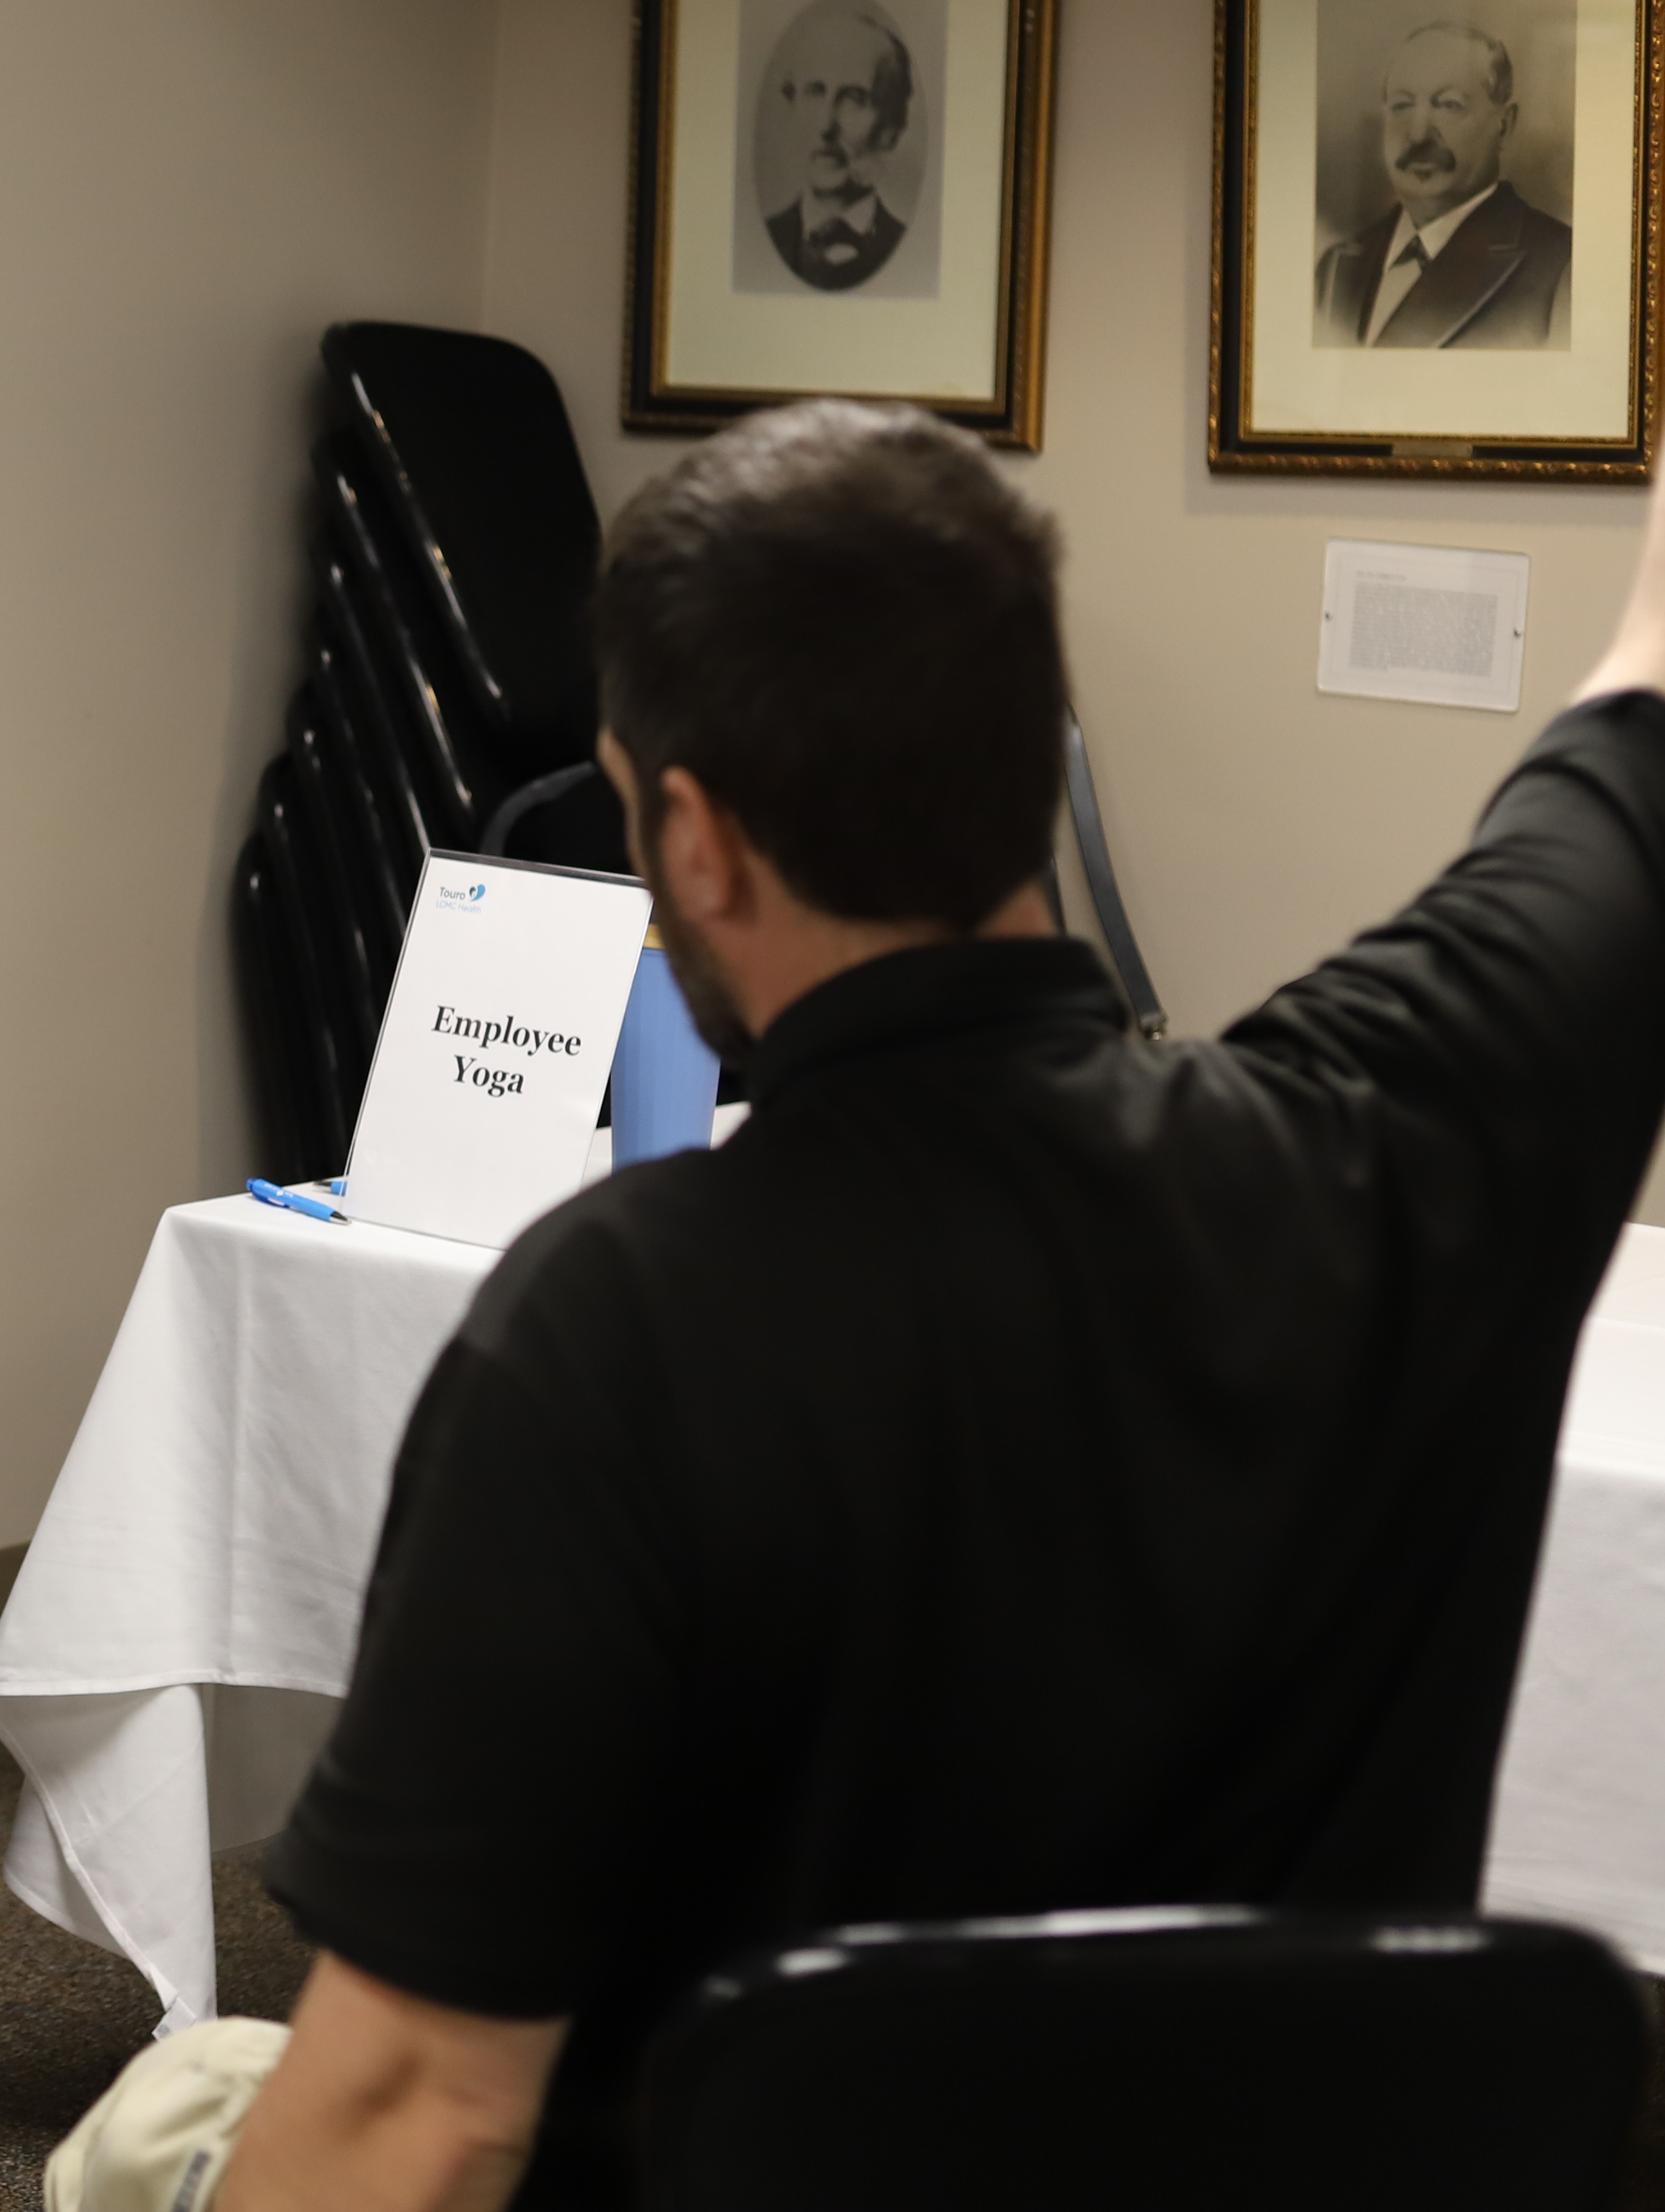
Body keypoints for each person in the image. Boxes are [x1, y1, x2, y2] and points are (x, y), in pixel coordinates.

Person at [175, 400, 1665, 2212]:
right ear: (1030, 755)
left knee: (167, 2119)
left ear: (696, 842)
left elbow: (417, 2108)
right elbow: (1646, 697)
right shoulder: (1407, 1147)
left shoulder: (608, 1332)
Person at [1315, 17, 1571, 350]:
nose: (1418, 134)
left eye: (1450, 105)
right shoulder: (1336, 267)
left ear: (1504, 126)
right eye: (1402, 105)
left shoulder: (1561, 267)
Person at [757, 0, 914, 293]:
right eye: (815, 92)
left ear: (892, 127)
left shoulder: (912, 251)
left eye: (854, 99)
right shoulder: (763, 241)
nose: (825, 126)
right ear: (792, 104)